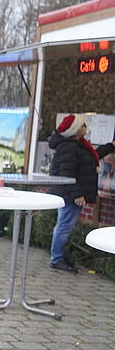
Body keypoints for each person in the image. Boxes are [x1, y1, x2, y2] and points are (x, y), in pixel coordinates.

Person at [48, 114, 115, 273]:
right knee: (64, 226)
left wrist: (110, 146)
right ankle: (56, 259)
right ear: (75, 130)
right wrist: (77, 195)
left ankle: (58, 256)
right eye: (83, 125)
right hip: (70, 195)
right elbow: (67, 174)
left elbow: (92, 156)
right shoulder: (69, 147)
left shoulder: (78, 145)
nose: (86, 127)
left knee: (64, 225)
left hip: (71, 194)